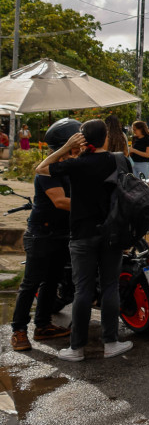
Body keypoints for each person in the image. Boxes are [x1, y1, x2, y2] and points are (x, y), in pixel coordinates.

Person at [36, 119, 133, 361]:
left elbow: (41, 169)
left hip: (82, 234)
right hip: (112, 233)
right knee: (110, 286)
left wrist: (65, 147)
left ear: (82, 140)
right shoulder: (119, 159)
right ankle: (110, 343)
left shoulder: (75, 165)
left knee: (83, 290)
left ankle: (76, 349)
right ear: (106, 139)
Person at [10, 119, 79, 353]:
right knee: (30, 284)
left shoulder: (68, 166)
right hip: (41, 235)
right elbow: (60, 201)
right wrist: (95, 205)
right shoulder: (47, 171)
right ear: (65, 144)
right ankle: (18, 331)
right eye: (75, 142)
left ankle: (42, 326)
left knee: (51, 281)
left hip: (62, 233)